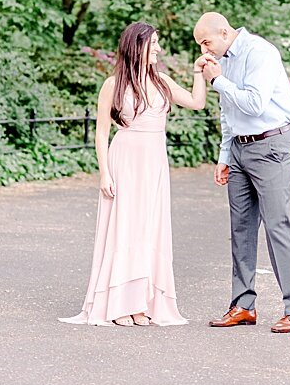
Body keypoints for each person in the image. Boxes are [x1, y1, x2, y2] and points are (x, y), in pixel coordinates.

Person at [59, 22, 205, 327]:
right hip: (124, 159)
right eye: (153, 44)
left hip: (154, 162)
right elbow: (101, 133)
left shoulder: (162, 81)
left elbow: (196, 102)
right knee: (124, 228)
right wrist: (104, 174)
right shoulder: (113, 85)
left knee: (148, 228)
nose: (158, 49)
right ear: (136, 46)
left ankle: (141, 303)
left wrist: (197, 73)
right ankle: (119, 304)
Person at [193, 12, 290, 334]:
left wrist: (216, 80)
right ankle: (243, 305)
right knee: (241, 228)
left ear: (224, 32)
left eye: (206, 41)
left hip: (272, 145)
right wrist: (225, 155)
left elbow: (255, 104)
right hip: (240, 150)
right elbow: (228, 112)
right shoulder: (222, 60)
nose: (205, 49)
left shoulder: (260, 52)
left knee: (276, 225)